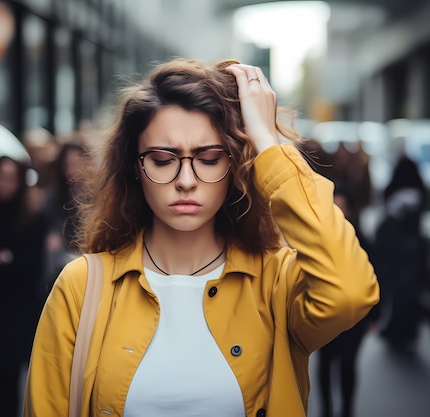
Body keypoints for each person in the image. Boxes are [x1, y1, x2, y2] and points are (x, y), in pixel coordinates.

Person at [23, 58, 379, 417]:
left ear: (235, 165)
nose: (186, 180)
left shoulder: (274, 282)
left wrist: (269, 145)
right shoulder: (82, 287)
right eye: (163, 159)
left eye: (208, 158)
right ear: (136, 167)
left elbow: (349, 292)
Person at [0, 156, 48, 417]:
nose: (4, 184)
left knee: (8, 385)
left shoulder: (31, 218)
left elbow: (30, 267)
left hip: (16, 313)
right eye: (0, 177)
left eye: (10, 178)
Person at [316, 183, 377, 417]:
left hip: (355, 319)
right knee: (324, 363)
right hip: (326, 315)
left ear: (350, 211)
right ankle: (327, 411)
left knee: (348, 365)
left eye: (341, 207)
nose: (337, 213)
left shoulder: (362, 241)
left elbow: (375, 279)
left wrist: (374, 316)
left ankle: (347, 410)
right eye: (333, 207)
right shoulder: (318, 241)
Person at [372, 155, 427, 352]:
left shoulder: (394, 192)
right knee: (409, 292)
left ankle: (394, 327)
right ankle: (406, 329)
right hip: (412, 251)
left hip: (395, 250)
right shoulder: (419, 192)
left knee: (393, 291)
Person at [42, 142, 86, 291]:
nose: (73, 168)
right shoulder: (55, 195)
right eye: (68, 163)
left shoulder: (97, 195)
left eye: (77, 162)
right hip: (63, 255)